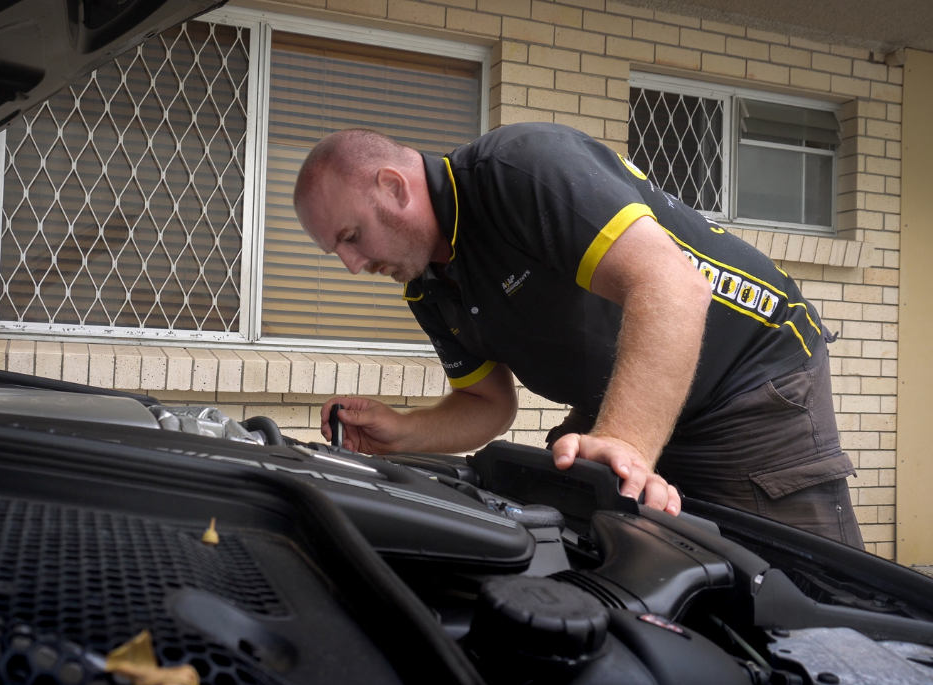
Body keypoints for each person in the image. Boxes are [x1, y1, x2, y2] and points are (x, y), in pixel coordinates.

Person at [291, 123, 863, 547]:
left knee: (805, 596)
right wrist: (403, 433)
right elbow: (486, 403)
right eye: (336, 250)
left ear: (393, 187)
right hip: (632, 402)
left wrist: (627, 443)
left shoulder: (520, 170)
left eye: (351, 236)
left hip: (751, 383)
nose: (351, 265)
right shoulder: (428, 284)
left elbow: (670, 285)